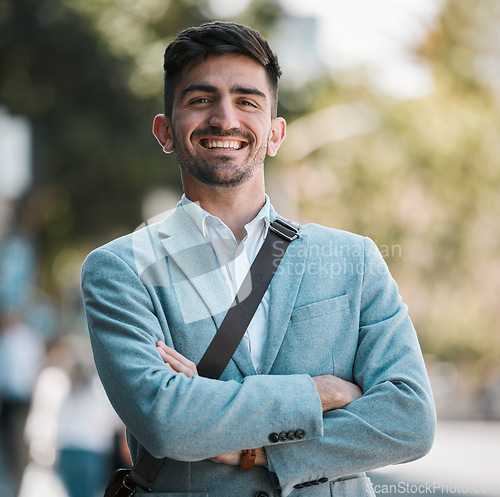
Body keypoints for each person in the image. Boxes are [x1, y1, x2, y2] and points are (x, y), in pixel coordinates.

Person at [81, 21, 435, 497]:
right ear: (165, 131)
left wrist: (254, 451)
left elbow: (409, 419)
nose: (225, 118)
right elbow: (166, 422)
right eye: (201, 99)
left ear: (274, 133)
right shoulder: (120, 270)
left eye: (247, 101)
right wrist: (317, 393)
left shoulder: (353, 259)